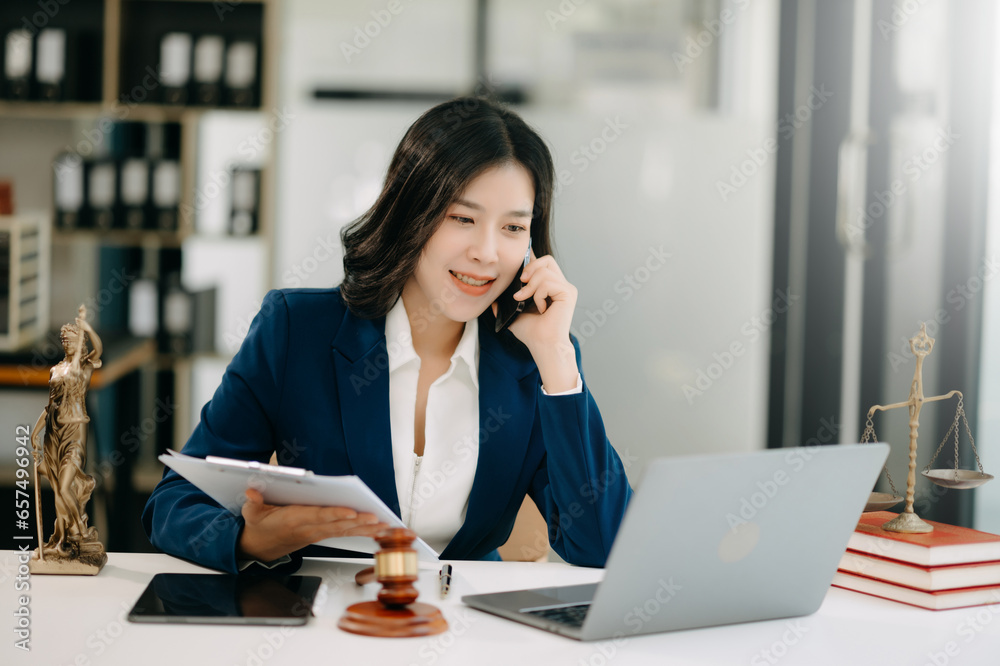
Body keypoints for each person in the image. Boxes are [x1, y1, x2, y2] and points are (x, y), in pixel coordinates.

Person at [143, 97, 632, 574]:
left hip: (464, 632)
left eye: (512, 228)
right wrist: (252, 539)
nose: (487, 252)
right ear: (409, 214)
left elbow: (603, 547)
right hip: (328, 627)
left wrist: (556, 358)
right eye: (462, 219)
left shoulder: (535, 362)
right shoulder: (296, 331)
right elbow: (175, 504)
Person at [31, 305, 105, 561]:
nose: (67, 343)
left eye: (71, 340)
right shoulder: (56, 370)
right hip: (54, 433)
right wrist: (36, 432)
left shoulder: (83, 367)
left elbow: (99, 349)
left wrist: (87, 328)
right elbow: (50, 406)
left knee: (65, 486)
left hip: (74, 432)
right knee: (56, 488)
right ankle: (62, 537)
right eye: (64, 340)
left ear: (78, 343)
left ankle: (79, 532)